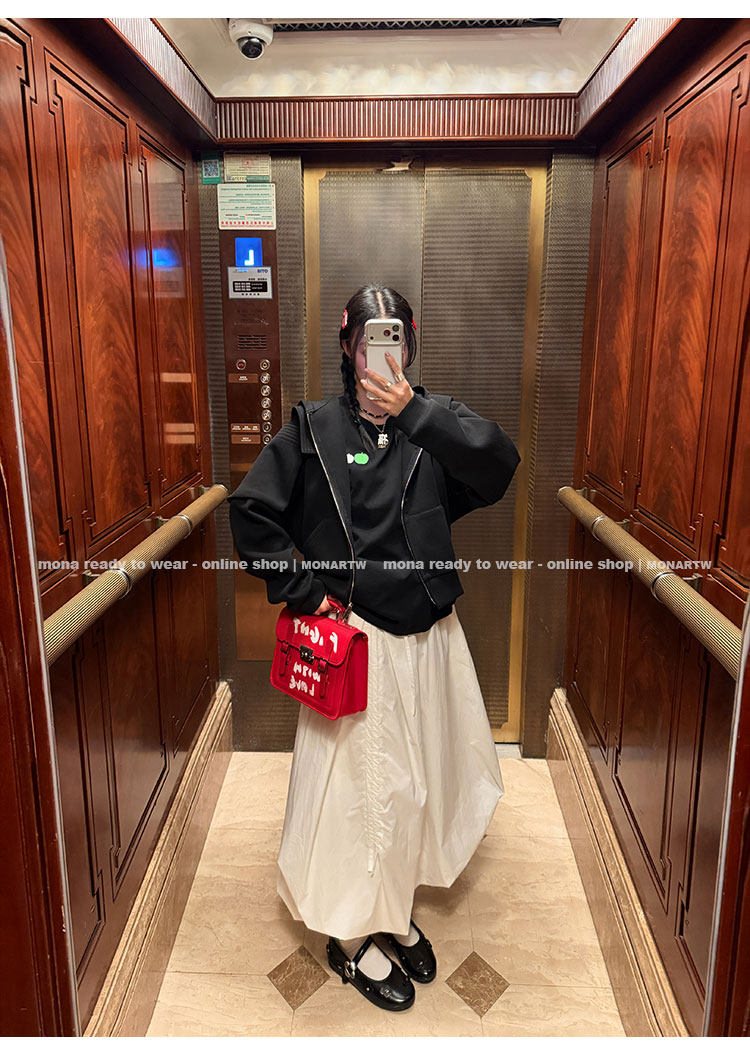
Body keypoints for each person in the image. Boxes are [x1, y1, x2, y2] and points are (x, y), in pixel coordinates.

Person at [228, 284, 521, 1012]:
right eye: (368, 342)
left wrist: (415, 412)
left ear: (409, 347)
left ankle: (391, 909)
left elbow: (498, 464)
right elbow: (251, 512)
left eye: (394, 341)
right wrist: (304, 592)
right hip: (357, 645)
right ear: (348, 348)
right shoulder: (314, 429)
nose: (380, 357)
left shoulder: (433, 421)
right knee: (359, 797)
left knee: (416, 786)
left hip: (430, 641)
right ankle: (351, 936)